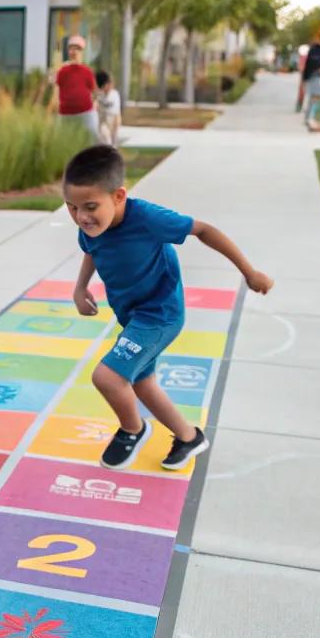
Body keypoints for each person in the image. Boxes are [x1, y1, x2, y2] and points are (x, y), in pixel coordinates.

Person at [63, 144, 273, 472]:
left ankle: (133, 429)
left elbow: (204, 230)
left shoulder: (147, 218)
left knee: (107, 376)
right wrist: (80, 287)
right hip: (132, 316)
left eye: (90, 206)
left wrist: (249, 272)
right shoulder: (90, 224)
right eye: (72, 207)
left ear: (119, 196)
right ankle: (188, 437)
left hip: (159, 315)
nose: (81, 217)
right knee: (142, 382)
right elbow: (91, 247)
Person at [48, 35, 100, 138]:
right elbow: (56, 91)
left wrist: (94, 103)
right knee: (64, 140)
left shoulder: (87, 71)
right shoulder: (62, 71)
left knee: (93, 137)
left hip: (85, 112)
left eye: (77, 49)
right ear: (68, 52)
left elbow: (94, 92)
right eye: (71, 48)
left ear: (82, 52)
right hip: (66, 113)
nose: (74, 52)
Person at [95, 68, 122, 145]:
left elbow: (117, 116)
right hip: (101, 123)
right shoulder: (98, 95)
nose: (111, 85)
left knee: (111, 144)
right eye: (108, 83)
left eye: (111, 83)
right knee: (105, 139)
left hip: (111, 122)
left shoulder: (114, 95)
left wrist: (115, 132)